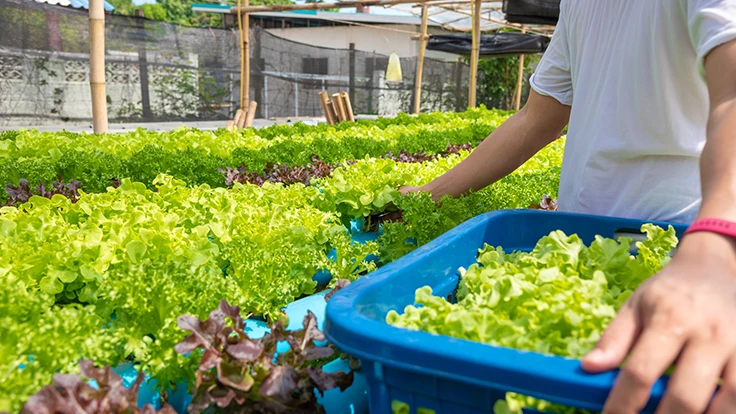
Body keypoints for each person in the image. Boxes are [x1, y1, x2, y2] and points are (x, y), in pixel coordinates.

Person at [401, 0, 736, 412]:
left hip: (678, 257)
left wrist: (717, 246)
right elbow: (538, 117)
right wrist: (433, 192)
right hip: (576, 252)